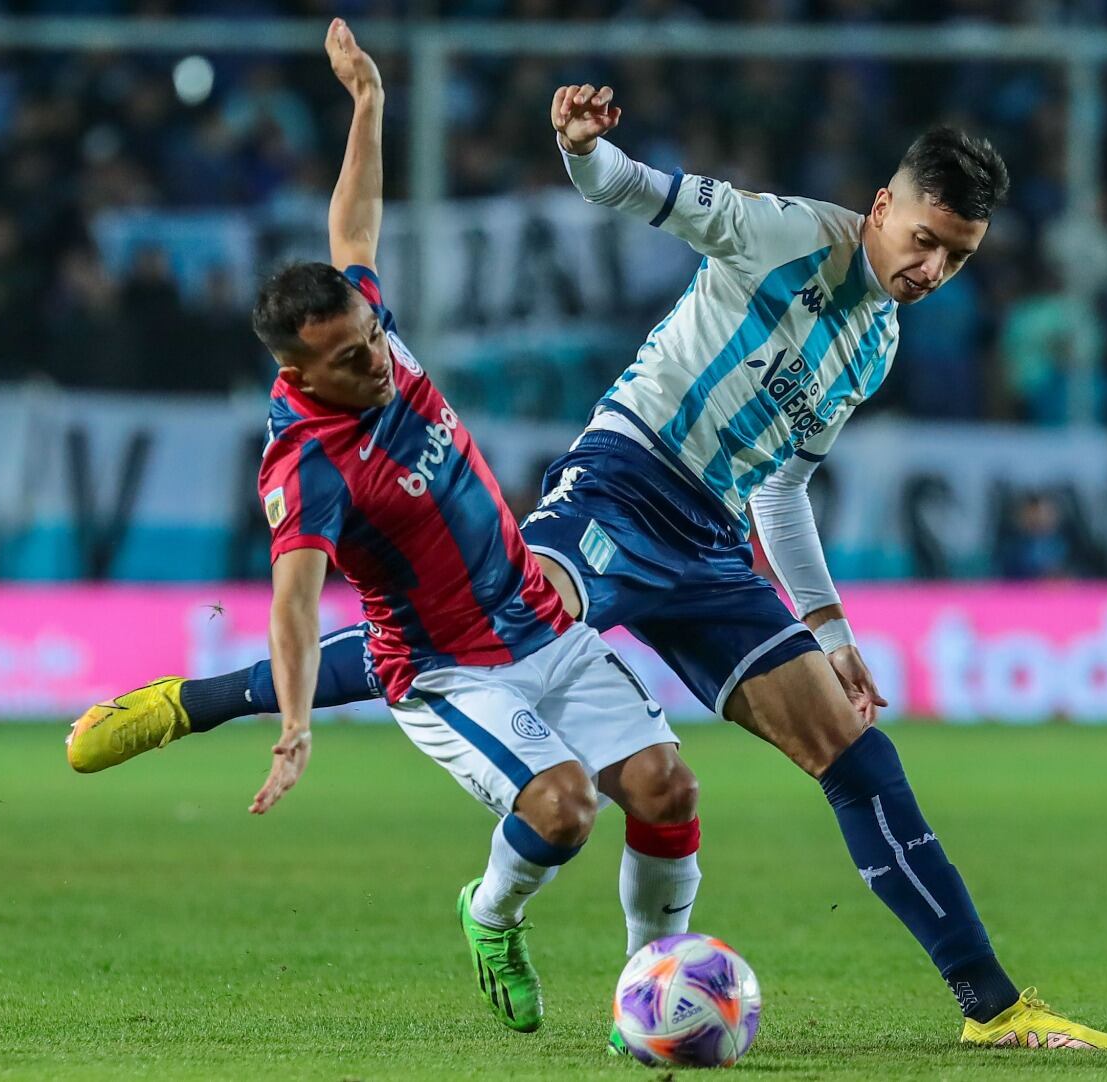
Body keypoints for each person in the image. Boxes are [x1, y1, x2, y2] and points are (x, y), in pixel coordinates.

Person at [83, 82, 1107, 1052]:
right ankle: (207, 698)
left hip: (714, 546)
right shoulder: (784, 234)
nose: (932, 270)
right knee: (478, 623)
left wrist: (826, 626)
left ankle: (991, 1007)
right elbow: (644, 193)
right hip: (623, 486)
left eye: (957, 255)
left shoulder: (876, 343)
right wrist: (586, 149)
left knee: (858, 756)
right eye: (924, 240)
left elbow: (783, 487)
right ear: (882, 204)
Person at [66, 23, 701, 1038]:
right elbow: (292, 604)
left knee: (666, 786)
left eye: (371, 342)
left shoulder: (360, 320)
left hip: (540, 617)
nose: (377, 363)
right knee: (564, 806)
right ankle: (488, 911)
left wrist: (368, 105)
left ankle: (652, 995)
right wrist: (295, 724)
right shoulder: (305, 463)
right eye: (352, 361)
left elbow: (351, 233)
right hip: (452, 673)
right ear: (295, 372)